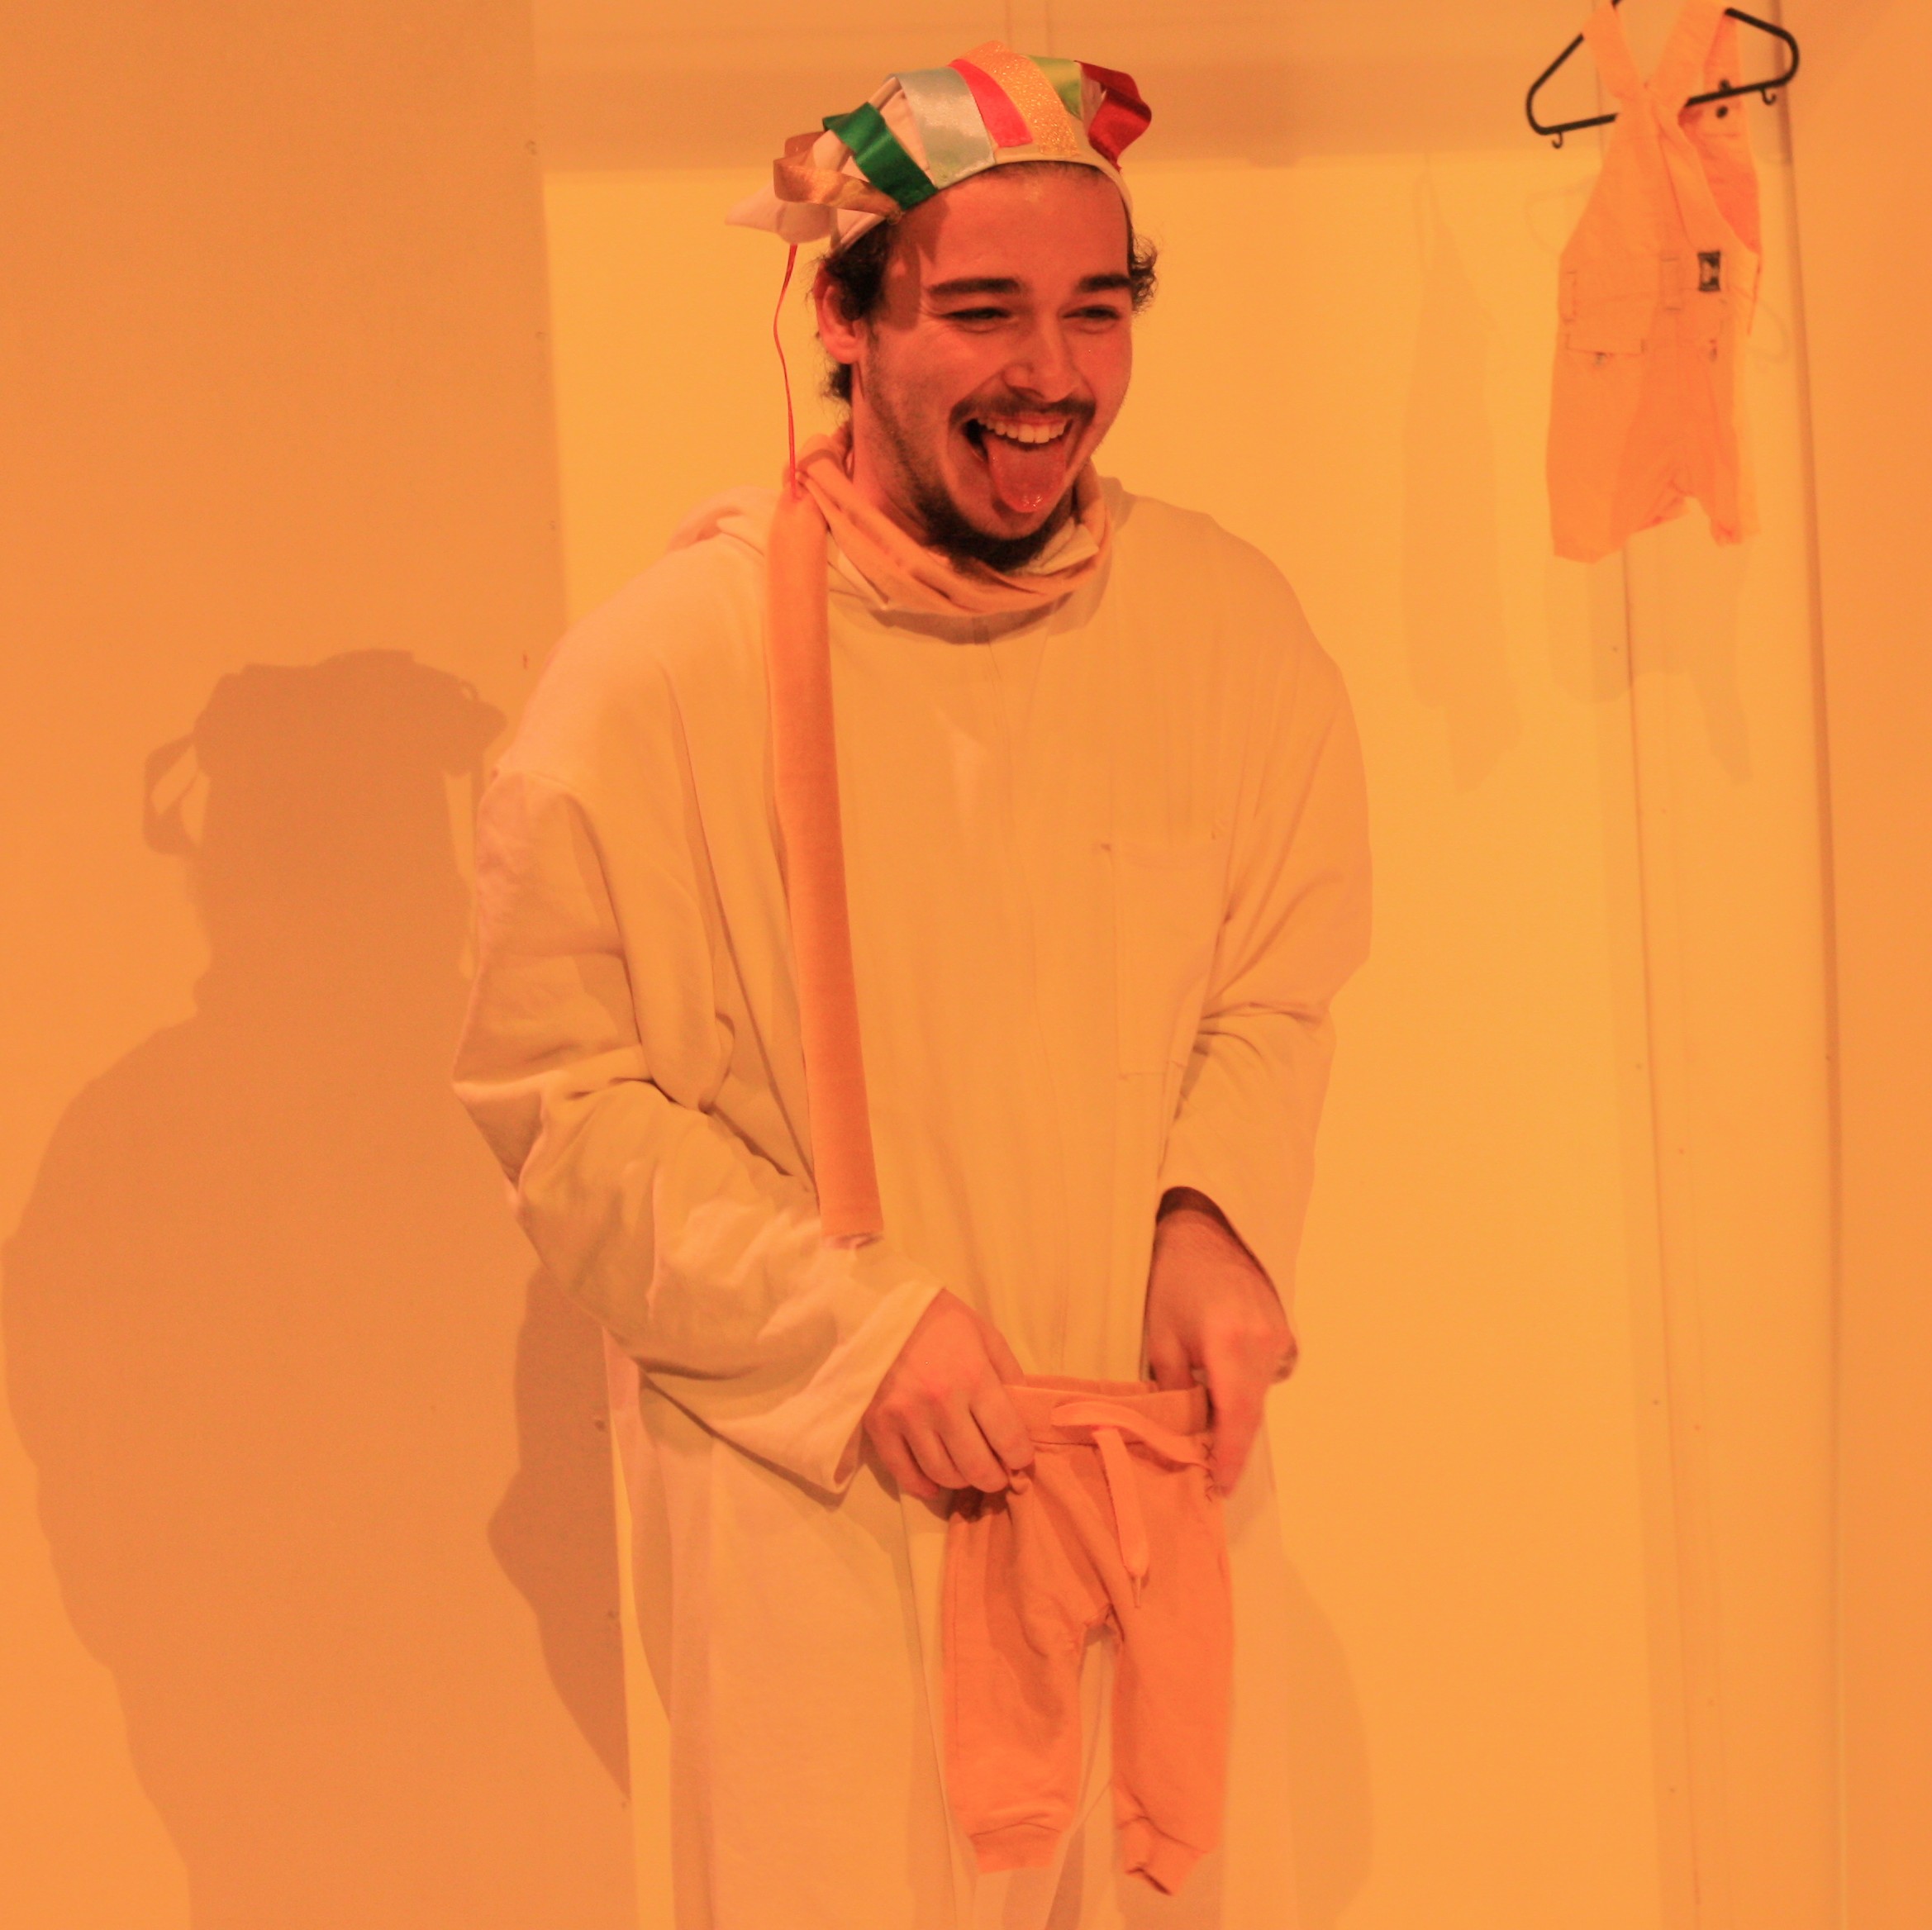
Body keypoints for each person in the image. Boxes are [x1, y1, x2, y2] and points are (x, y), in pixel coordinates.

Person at [453, 43, 1370, 1928]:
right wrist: (852, 1330)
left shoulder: (1226, 633)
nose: (1051, 372)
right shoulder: (663, 680)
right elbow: (563, 1103)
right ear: (844, 317)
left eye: (1095, 309)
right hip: (835, 1529)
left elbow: (1276, 986)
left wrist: (1210, 1223)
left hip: (1151, 1489)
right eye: (982, 311)